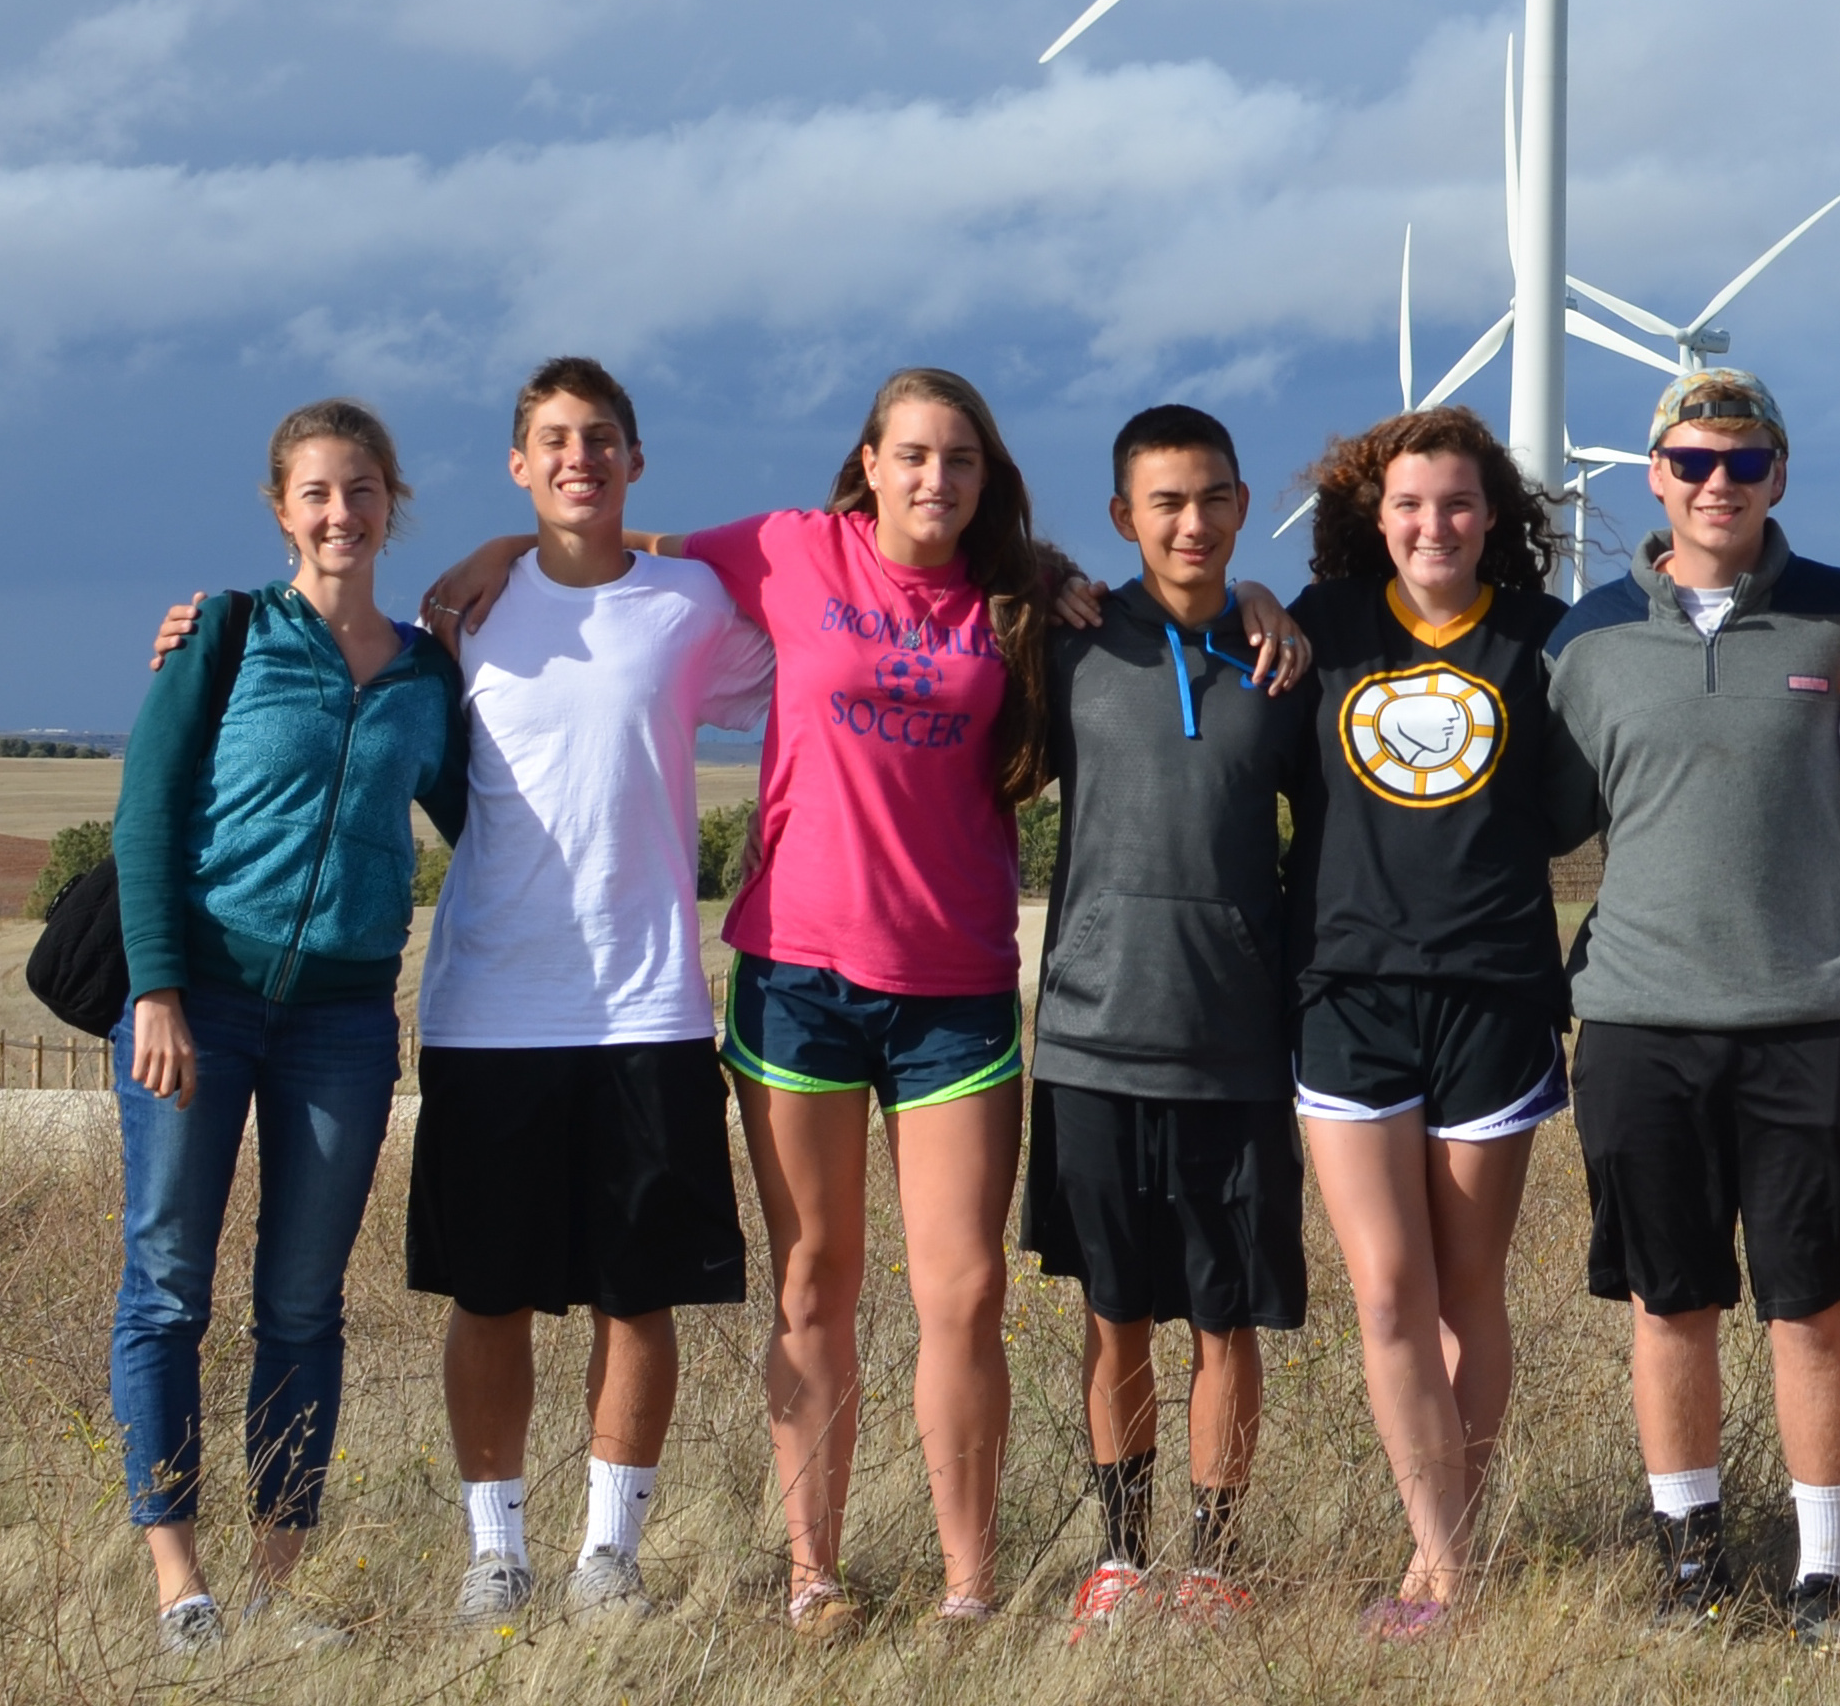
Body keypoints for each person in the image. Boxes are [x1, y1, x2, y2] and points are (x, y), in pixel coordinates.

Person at [415, 369, 1308, 1634]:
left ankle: (968, 1584)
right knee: (814, 1279)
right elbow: (622, 545)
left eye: (959, 459)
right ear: (870, 464)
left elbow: (1181, 601)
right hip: (797, 980)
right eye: (912, 455)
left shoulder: (1024, 605)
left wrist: (1260, 593)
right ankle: (812, 1571)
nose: (934, 478)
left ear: (984, 476)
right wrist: (502, 543)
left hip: (954, 987)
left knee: (966, 1288)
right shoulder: (787, 550)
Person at [1546, 368, 1840, 1646]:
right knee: (1671, 1299)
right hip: (1640, 1016)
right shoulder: (1579, 637)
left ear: (1781, 472)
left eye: (1745, 462)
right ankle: (1690, 1559)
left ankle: (1826, 1571)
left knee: (1810, 1302)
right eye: (1695, 461)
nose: (1719, 484)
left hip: (1808, 1010)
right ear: (1653, 472)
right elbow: (1515, 805)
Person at [410, 358, 774, 1630]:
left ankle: (608, 1558)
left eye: (602, 438)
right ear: (519, 463)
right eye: (554, 441)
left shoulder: (689, 603)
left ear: (635, 459)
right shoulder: (460, 617)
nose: (580, 456)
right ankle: (494, 1555)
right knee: (488, 1293)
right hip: (487, 1011)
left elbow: (819, 669)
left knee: (640, 1292)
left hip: (651, 1007)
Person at [111, 399, 470, 1655]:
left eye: (363, 489)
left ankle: (274, 1582)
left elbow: (493, 817)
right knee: (166, 1284)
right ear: (282, 508)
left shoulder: (429, 672)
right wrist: (156, 986)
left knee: (304, 1303)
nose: (341, 513)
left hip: (343, 1021)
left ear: (392, 503)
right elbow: (146, 810)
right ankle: (180, 1585)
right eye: (318, 491)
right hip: (197, 1002)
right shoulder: (225, 632)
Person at [1284, 405, 1599, 1639]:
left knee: (1470, 1285)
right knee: (1384, 1292)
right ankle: (1443, 1553)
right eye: (1411, 503)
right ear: (1377, 513)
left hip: (1495, 992)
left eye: (1459, 502)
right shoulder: (1321, 628)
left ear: (1496, 516)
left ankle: (1446, 1561)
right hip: (1346, 993)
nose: (1434, 524)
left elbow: (1573, 804)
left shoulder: (1541, 642)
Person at [1023, 406, 1317, 1643]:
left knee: (1225, 1317)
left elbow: (1341, 837)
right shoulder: (1073, 644)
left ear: (1243, 505)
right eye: (1164, 503)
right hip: (1091, 1037)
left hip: (1235, 1044)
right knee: (1113, 1310)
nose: (1190, 523)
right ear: (1121, 517)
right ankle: (1120, 1556)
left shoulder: (1285, 662)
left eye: (1211, 499)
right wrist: (1034, 578)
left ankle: (1215, 1560)